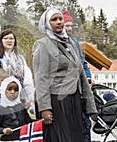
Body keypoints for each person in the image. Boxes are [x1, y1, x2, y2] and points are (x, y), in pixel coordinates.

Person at [32, 8, 97, 142]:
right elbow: (41, 79)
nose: (59, 22)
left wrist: (90, 104)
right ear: (47, 24)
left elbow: (81, 74)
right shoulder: (42, 45)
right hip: (56, 102)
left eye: (60, 19)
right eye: (54, 19)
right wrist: (45, 108)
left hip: (74, 100)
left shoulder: (71, 43)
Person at [62, 10, 94, 142]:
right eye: (66, 25)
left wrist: (88, 76)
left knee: (85, 122)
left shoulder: (74, 43)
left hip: (79, 89)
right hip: (64, 90)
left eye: (70, 26)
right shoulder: (52, 43)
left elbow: (82, 63)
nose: (69, 28)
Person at [0, 29, 34, 106]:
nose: (9, 41)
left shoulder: (20, 59)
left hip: (19, 98)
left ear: (14, 41)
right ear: (1, 41)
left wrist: (29, 98)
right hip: (0, 99)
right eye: (6, 38)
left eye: (11, 38)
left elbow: (27, 80)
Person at [0, 76, 32, 142]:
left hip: (22, 138)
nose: (13, 92)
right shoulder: (1, 109)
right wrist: (4, 130)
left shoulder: (20, 107)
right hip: (8, 139)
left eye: (16, 90)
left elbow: (28, 121)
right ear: (4, 90)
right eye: (10, 89)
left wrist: (42, 121)